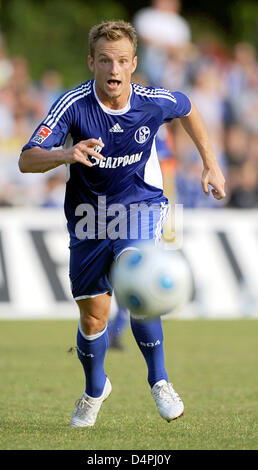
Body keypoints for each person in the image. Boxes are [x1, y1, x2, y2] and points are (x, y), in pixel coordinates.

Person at [19, 20, 226, 427]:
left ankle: (160, 380)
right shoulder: (72, 105)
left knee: (139, 279)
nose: (114, 70)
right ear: (92, 62)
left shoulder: (152, 101)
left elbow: (188, 107)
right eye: (105, 61)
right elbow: (27, 159)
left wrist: (211, 165)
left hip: (141, 206)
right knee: (94, 318)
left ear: (133, 65)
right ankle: (95, 389)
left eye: (121, 62)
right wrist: (66, 154)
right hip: (88, 217)